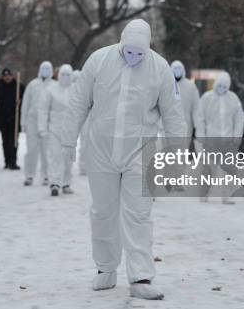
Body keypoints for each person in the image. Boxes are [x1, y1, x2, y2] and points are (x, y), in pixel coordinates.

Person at [62, 19, 185, 300]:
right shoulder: (99, 60)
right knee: (103, 211)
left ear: (148, 48)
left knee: (138, 213)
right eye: (129, 52)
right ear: (121, 43)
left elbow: (173, 113)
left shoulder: (160, 68)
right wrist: (68, 140)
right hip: (101, 149)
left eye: (139, 54)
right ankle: (105, 269)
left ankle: (141, 276)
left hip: (141, 151)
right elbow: (79, 101)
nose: (133, 58)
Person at [195, 72, 244, 204]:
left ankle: (226, 195)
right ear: (215, 83)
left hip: (228, 140)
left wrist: (236, 137)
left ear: (228, 86)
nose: (221, 88)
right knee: (208, 168)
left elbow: (239, 119)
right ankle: (204, 193)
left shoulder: (234, 99)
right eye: (219, 85)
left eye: (224, 86)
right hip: (211, 139)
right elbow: (199, 117)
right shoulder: (207, 98)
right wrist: (201, 135)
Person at [39, 64, 74, 196]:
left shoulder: (75, 91)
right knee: (55, 156)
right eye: (63, 74)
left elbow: (81, 110)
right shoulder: (51, 89)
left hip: (70, 130)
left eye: (68, 75)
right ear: (58, 75)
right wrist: (42, 128)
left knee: (68, 158)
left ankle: (66, 183)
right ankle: (54, 183)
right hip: (54, 129)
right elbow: (43, 110)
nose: (65, 77)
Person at [21, 61, 53, 185]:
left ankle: (46, 175)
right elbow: (25, 104)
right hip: (32, 122)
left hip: (48, 124)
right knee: (31, 151)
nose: (45, 71)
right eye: (43, 68)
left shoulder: (54, 86)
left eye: (47, 69)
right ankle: (29, 175)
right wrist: (23, 122)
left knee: (46, 151)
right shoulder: (33, 85)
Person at [0, 68, 25, 170]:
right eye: (5, 76)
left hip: (15, 118)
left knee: (14, 140)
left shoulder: (19, 86)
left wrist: (20, 102)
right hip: (2, 117)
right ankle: (7, 161)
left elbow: (26, 99)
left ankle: (13, 162)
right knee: (5, 141)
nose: (7, 77)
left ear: (12, 76)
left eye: (8, 75)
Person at [171, 60, 200, 137]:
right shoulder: (166, 85)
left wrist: (196, 125)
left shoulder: (190, 86)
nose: (177, 71)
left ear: (183, 69)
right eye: (175, 68)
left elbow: (195, 107)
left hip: (186, 127)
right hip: (169, 127)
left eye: (179, 68)